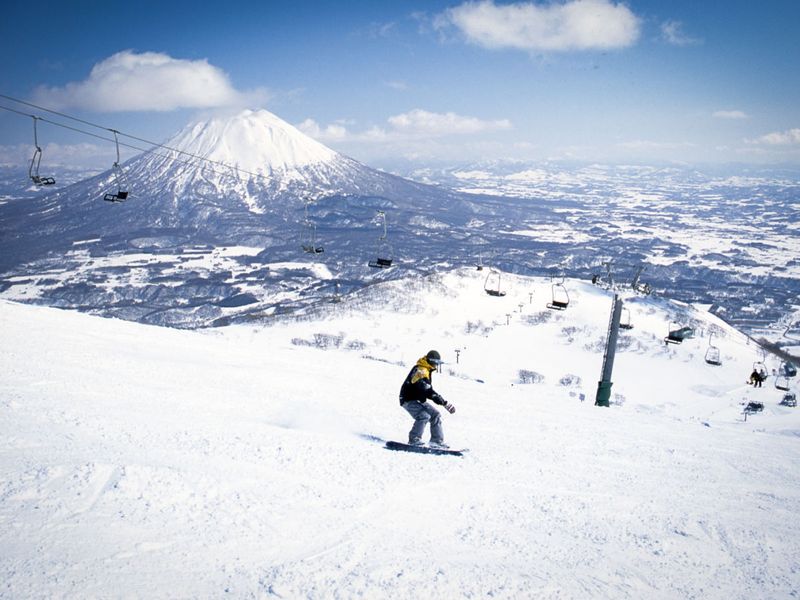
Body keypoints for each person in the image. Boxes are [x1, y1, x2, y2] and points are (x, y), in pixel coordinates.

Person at [399, 350, 455, 448]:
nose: (436, 366)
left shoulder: (426, 369)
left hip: (418, 400)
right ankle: (414, 439)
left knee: (435, 415)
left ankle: (436, 441)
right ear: (431, 361)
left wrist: (444, 403)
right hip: (408, 399)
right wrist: (440, 400)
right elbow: (426, 389)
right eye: (436, 363)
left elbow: (428, 390)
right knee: (423, 415)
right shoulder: (421, 370)